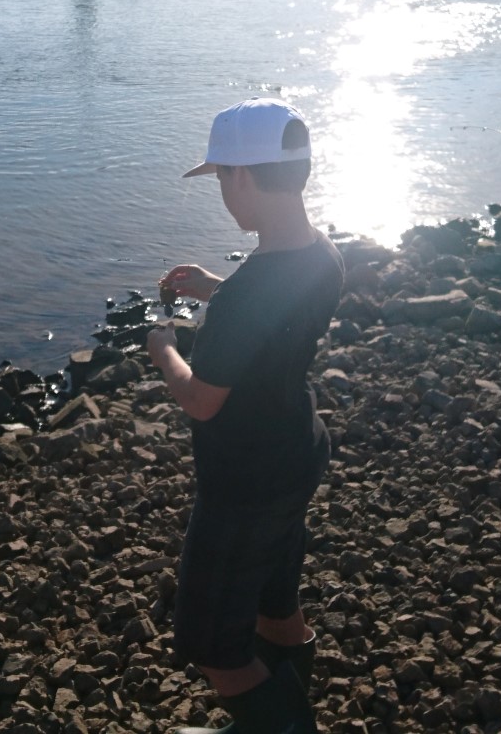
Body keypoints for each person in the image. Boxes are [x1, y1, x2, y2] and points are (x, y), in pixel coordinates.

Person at [146, 98, 345, 734]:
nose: (223, 194)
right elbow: (276, 307)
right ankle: (280, 710)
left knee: (213, 643)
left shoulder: (249, 294)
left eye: (221, 179)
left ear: (241, 178)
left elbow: (202, 399)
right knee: (273, 600)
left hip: (243, 482)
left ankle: (282, 727)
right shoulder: (323, 254)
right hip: (296, 452)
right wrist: (217, 287)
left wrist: (164, 350)